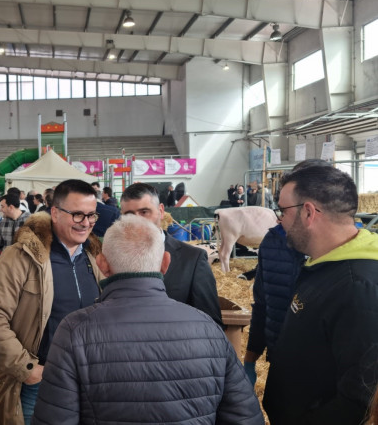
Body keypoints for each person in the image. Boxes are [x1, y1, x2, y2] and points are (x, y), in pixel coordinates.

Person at [31, 215, 264, 425]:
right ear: (165, 263)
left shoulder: (74, 330)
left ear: (102, 264)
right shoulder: (207, 327)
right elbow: (245, 417)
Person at [0, 179, 105, 425]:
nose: (86, 223)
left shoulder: (94, 256)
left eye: (91, 215)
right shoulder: (22, 257)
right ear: (55, 213)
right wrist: (27, 368)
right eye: (77, 215)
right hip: (39, 383)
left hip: (87, 381)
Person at [262, 164, 378, 424]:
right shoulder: (322, 265)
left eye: (282, 210)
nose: (279, 220)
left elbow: (361, 397)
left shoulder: (359, 288)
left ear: (308, 212)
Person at [242, 159, 329, 384]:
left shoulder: (348, 255)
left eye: (285, 208)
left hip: (330, 372)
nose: (280, 216)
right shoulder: (272, 241)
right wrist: (250, 360)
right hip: (281, 360)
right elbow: (262, 304)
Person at [120, 183, 223, 326]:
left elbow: (211, 323)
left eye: (144, 212)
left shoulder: (192, 259)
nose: (137, 221)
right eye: (129, 215)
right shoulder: (115, 257)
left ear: (161, 211)